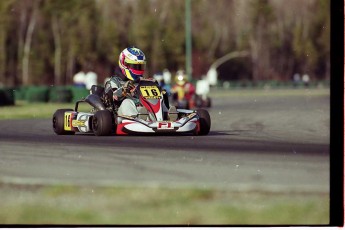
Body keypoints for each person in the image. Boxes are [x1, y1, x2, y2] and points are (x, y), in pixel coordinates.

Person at [103, 47, 174, 119]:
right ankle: (136, 119)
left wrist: (157, 88)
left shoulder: (141, 81)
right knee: (127, 102)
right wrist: (123, 90)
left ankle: (167, 115)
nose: (138, 69)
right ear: (124, 64)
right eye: (135, 66)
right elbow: (111, 98)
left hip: (143, 110)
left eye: (140, 66)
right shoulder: (114, 81)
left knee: (161, 98)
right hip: (120, 113)